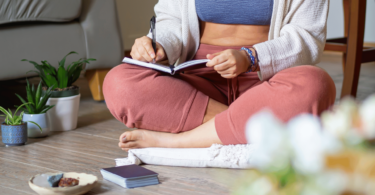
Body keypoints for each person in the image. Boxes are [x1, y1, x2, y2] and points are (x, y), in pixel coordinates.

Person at [103, 0, 336, 151]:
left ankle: (177, 141)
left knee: (316, 84)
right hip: (198, 80)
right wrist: (159, 45)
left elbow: (308, 36)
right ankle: (248, 125)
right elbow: (170, 19)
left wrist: (252, 57)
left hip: (265, 79)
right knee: (118, 83)